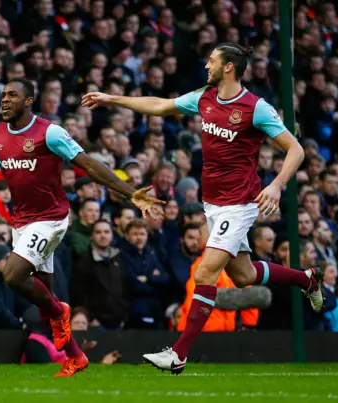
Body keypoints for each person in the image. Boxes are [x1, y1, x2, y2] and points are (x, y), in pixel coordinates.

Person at [83, 42, 323, 373]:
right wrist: (113, 99)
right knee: (244, 275)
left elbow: (294, 149)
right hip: (213, 203)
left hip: (239, 203)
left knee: (204, 272)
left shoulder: (256, 108)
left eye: (212, 61)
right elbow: (161, 105)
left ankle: (178, 353)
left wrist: (276, 185)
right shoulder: (204, 98)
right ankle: (307, 280)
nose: (206, 65)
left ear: (228, 67)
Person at [0, 78, 163, 377]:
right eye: (3, 95)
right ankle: (76, 357)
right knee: (43, 302)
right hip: (21, 221)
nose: (5, 100)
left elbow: (88, 165)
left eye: (13, 95)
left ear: (28, 101)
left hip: (51, 218)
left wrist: (130, 192)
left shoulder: (50, 132)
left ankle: (62, 311)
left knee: (13, 275)